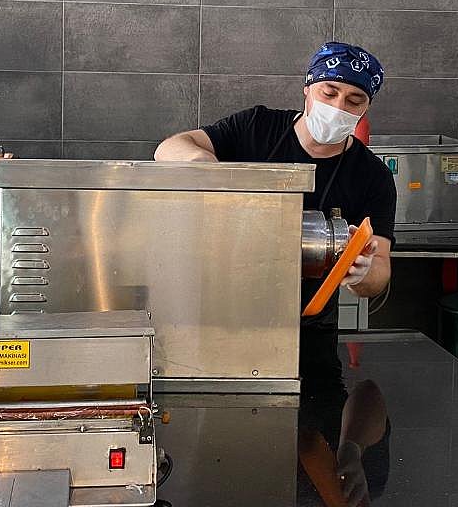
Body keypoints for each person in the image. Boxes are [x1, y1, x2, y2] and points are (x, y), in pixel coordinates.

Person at [155, 41, 397, 380]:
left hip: (308, 329)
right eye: (329, 93)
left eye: (354, 101)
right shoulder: (258, 127)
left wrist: (363, 274)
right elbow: (169, 148)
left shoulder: (373, 176)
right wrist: (203, 165)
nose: (338, 107)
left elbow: (380, 268)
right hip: (219, 317)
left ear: (366, 108)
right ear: (307, 89)